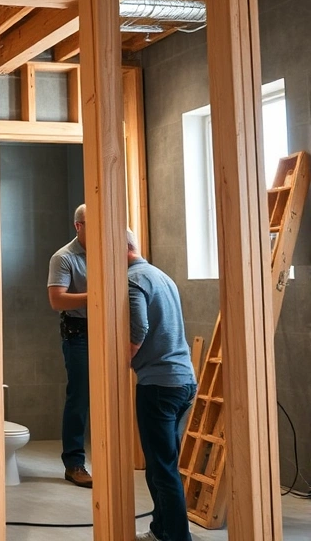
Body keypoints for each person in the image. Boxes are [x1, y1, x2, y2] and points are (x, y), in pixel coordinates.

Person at [127, 229, 197, 541]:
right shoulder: (160, 276)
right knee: (162, 465)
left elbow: (138, 327)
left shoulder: (132, 280)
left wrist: (119, 362)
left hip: (158, 385)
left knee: (162, 468)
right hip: (184, 381)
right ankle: (161, 530)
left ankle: (178, 537)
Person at [47, 204, 92, 488]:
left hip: (108, 330)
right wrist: (95, 295)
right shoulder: (63, 257)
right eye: (92, 223)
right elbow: (57, 300)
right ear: (78, 226)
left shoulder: (109, 247)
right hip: (79, 335)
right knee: (79, 397)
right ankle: (74, 462)